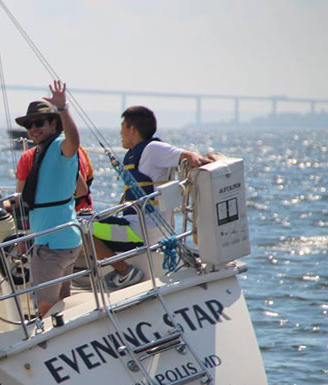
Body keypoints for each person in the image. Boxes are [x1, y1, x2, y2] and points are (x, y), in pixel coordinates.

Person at [93, 105, 212, 290]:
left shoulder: (152, 149)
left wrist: (196, 157)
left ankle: (125, 272)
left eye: (123, 127)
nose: (120, 132)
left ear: (132, 129)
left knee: (81, 229)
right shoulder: (140, 153)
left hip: (140, 232)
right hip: (138, 227)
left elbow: (185, 155)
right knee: (89, 219)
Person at [14, 80, 83, 318]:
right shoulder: (42, 151)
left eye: (39, 123)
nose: (33, 129)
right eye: (29, 125)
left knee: (44, 307)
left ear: (54, 124)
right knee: (62, 303)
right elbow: (80, 189)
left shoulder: (60, 147)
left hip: (52, 246)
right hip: (63, 240)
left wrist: (63, 108)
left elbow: (74, 142)